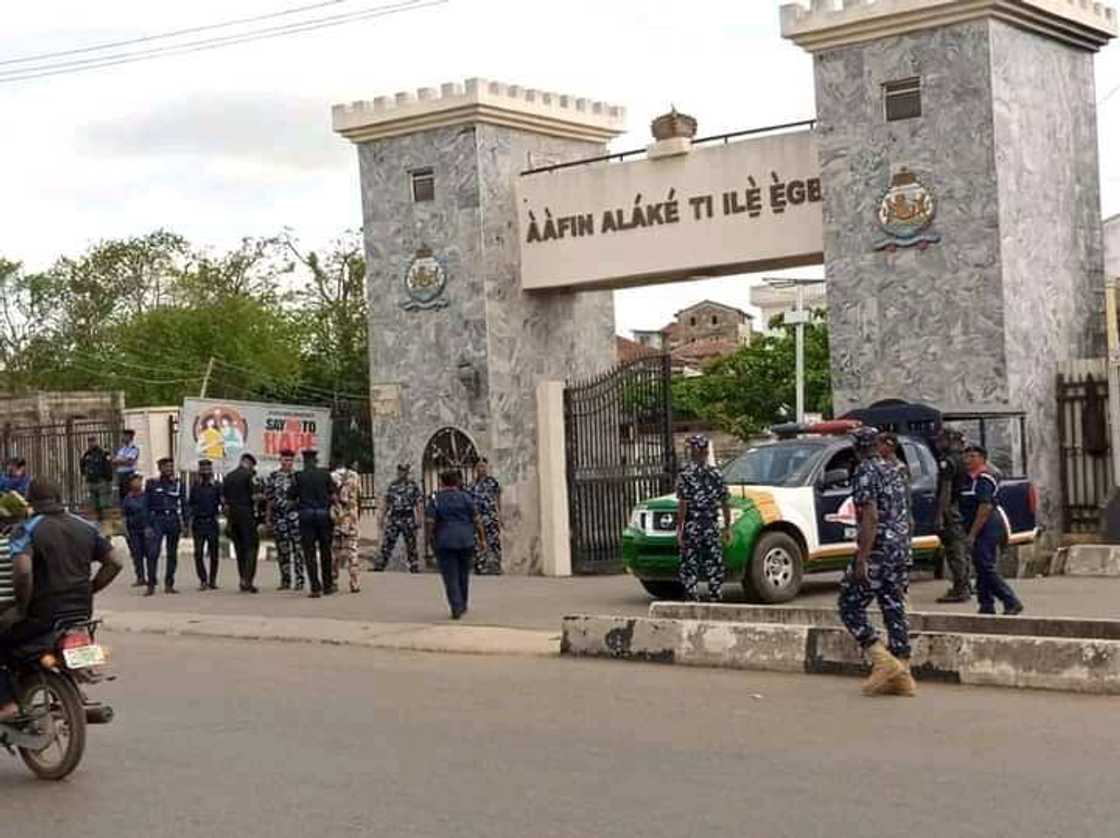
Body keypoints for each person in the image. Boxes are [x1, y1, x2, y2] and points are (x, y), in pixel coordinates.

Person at [0, 478, 122, 721]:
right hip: (79, 614)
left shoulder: (27, 529)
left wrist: (22, 608)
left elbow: (23, 572)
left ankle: (6, 704)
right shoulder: (85, 527)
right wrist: (91, 588)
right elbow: (115, 562)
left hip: (42, 615)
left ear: (32, 501)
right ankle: (69, 689)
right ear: (59, 498)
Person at [837, 426, 916, 697]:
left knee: (849, 605)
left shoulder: (865, 472)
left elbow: (869, 518)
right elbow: (907, 512)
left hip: (879, 549)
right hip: (900, 547)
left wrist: (862, 558)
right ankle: (903, 673)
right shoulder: (894, 469)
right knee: (893, 607)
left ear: (857, 447)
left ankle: (884, 661)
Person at [961, 444, 1023, 616]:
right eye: (966, 456)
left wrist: (973, 534)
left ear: (982, 459)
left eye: (972, 456)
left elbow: (985, 507)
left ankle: (1011, 600)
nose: (968, 460)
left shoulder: (983, 479)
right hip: (976, 525)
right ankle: (986, 604)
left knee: (986, 566)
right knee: (980, 566)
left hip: (987, 525)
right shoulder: (969, 479)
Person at [675, 434, 731, 602]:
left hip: (693, 526)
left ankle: (692, 594)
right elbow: (725, 502)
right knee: (714, 562)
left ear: (694, 450)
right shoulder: (716, 474)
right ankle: (715, 593)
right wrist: (727, 527)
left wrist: (680, 529)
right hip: (711, 526)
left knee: (690, 563)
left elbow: (683, 505)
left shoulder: (685, 475)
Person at [426, 470, 486, 619]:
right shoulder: (465, 497)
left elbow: (430, 522)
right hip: (466, 540)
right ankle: (463, 603)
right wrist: (482, 539)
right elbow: (477, 520)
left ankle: (456, 606)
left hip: (445, 541)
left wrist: (429, 540)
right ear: (457, 482)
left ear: (441, 482)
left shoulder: (436, 499)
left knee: (450, 576)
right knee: (463, 574)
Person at [289, 450, 338, 598]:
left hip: (306, 517)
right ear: (316, 461)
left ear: (304, 461)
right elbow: (334, 496)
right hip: (323, 516)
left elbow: (291, 497)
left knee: (309, 553)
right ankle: (328, 585)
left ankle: (315, 587)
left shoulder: (298, 476)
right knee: (325, 551)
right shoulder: (325, 475)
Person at [934, 428, 973, 603]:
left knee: (954, 548)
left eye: (941, 440)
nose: (938, 444)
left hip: (951, 508)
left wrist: (941, 515)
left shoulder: (947, 462)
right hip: (961, 506)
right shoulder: (963, 459)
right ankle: (966, 584)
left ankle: (960, 588)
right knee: (962, 548)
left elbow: (945, 490)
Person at [266, 449, 305, 591]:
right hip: (279, 518)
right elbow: (269, 499)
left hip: (295, 518)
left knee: (298, 551)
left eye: (289, 460)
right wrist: (268, 519)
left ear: (293, 461)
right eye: (284, 459)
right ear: (280, 460)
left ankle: (300, 580)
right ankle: (285, 580)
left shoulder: (298, 477)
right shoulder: (273, 476)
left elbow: (303, 498)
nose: (287, 462)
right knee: (283, 551)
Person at [145, 457, 185, 596]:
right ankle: (151, 584)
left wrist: (185, 522)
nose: (169, 469)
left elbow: (183, 503)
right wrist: (148, 524)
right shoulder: (152, 484)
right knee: (153, 553)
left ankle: (169, 583)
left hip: (173, 519)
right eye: (166, 467)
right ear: (160, 468)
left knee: (172, 554)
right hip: (158, 519)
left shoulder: (178, 484)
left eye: (170, 466)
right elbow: (146, 505)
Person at [222, 452, 261, 593]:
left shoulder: (229, 476)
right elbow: (255, 496)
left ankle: (242, 579)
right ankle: (247, 580)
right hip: (246, 514)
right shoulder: (250, 476)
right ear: (249, 463)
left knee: (239, 549)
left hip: (232, 515)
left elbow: (224, 500)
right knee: (251, 547)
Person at [375, 464, 423, 573]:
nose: (402, 473)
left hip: (408, 516)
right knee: (387, 542)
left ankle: (414, 566)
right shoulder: (393, 485)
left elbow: (418, 503)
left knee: (411, 543)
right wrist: (382, 517)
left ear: (407, 472)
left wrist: (419, 518)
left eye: (404, 471)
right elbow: (387, 502)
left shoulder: (412, 485)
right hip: (395, 516)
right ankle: (380, 565)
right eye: (400, 471)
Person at [187, 459, 223, 591]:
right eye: (203, 469)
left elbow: (222, 503)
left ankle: (212, 580)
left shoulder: (217, 486)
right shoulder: (195, 486)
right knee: (198, 553)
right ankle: (203, 579)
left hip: (212, 521)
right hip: (199, 522)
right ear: (199, 471)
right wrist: (189, 521)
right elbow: (191, 504)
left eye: (208, 469)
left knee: (214, 553)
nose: (205, 472)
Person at [331, 459, 363, 593]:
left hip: (337, 519)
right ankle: (354, 583)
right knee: (353, 551)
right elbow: (360, 497)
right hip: (352, 519)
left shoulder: (331, 477)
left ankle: (333, 581)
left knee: (335, 552)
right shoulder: (355, 476)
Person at [467, 459, 503, 575]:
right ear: (475, 469)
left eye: (483, 466)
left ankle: (496, 565)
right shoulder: (472, 485)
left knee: (494, 542)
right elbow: (470, 503)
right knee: (478, 543)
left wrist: (499, 516)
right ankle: (480, 566)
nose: (481, 469)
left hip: (491, 517)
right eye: (479, 467)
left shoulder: (492, 483)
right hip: (478, 519)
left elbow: (498, 499)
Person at [121, 473, 153, 588]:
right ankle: (140, 577)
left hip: (146, 528)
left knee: (150, 554)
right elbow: (124, 515)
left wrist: (151, 527)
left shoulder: (147, 496)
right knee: (136, 554)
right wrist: (125, 530)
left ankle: (151, 577)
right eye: (135, 481)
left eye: (139, 481)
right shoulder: (127, 498)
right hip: (133, 530)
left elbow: (151, 511)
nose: (137, 483)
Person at [79, 437, 114, 524]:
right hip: (91, 481)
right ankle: (99, 521)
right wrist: (85, 475)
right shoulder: (87, 454)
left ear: (96, 442)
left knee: (104, 504)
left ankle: (106, 523)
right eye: (89, 442)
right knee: (95, 505)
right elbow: (82, 465)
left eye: (92, 442)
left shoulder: (103, 453)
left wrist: (108, 480)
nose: (91, 444)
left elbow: (108, 467)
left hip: (101, 481)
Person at [112, 429, 140, 504]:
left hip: (128, 474)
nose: (123, 437)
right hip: (121, 475)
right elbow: (114, 462)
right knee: (122, 496)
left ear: (130, 437)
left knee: (129, 495)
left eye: (125, 436)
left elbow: (130, 462)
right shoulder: (122, 449)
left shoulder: (134, 448)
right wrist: (121, 461)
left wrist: (120, 461)